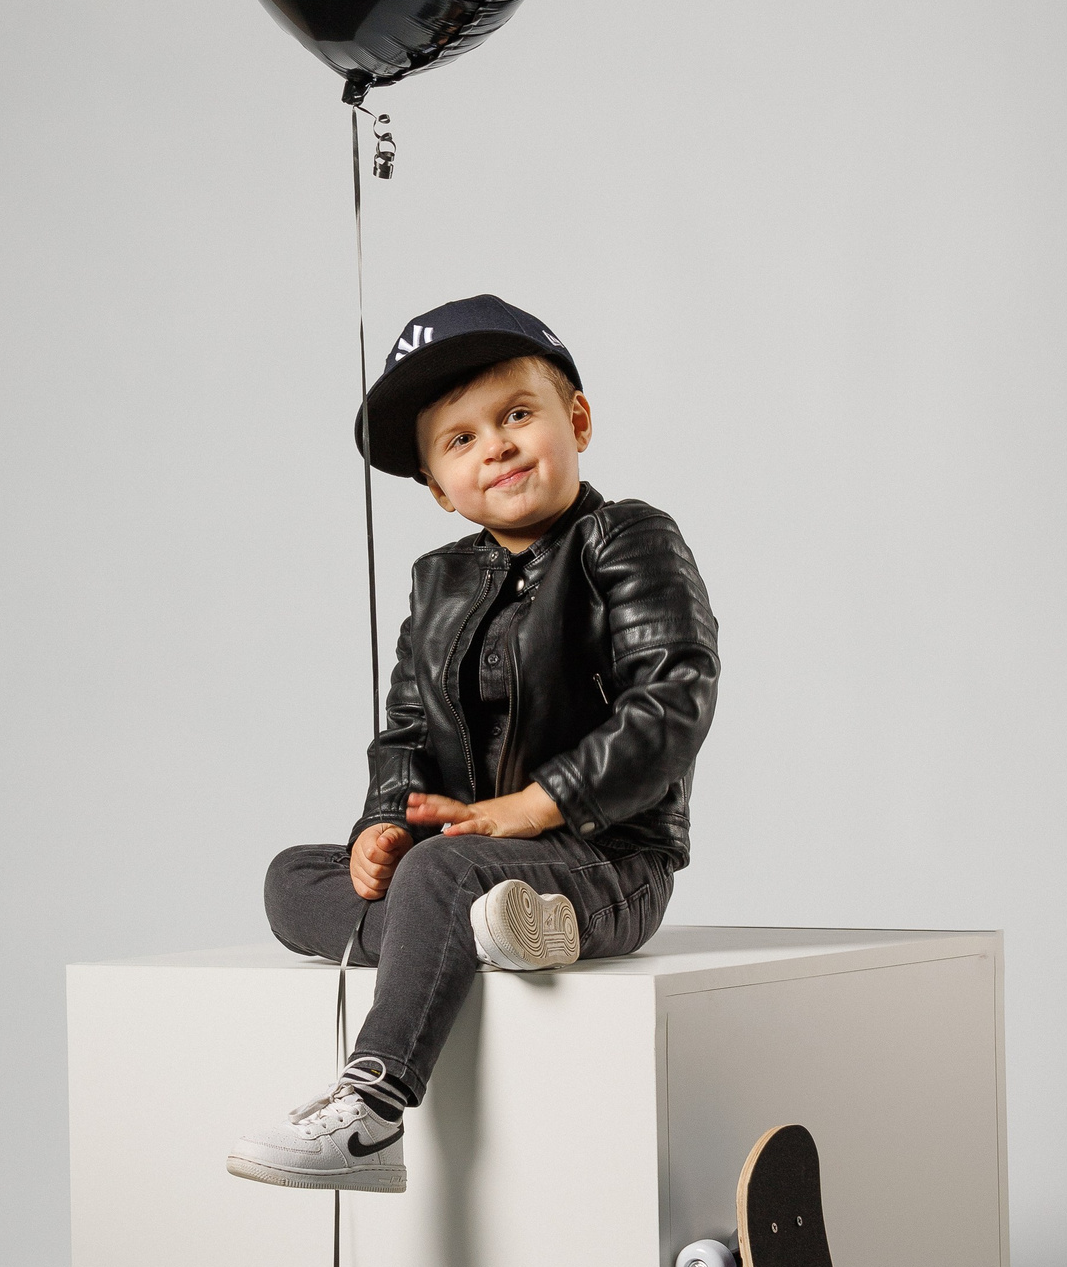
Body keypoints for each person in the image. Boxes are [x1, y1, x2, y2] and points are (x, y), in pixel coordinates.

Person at [228, 294, 719, 1194]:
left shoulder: (627, 539)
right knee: (291, 879)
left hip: (608, 855)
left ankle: (373, 1111)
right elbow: (408, 730)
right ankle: (486, 931)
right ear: (437, 487)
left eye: (518, 416)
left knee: (438, 875)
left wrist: (541, 804)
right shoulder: (439, 580)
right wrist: (383, 825)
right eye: (461, 439)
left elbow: (672, 699)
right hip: (468, 856)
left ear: (577, 420)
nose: (495, 446)